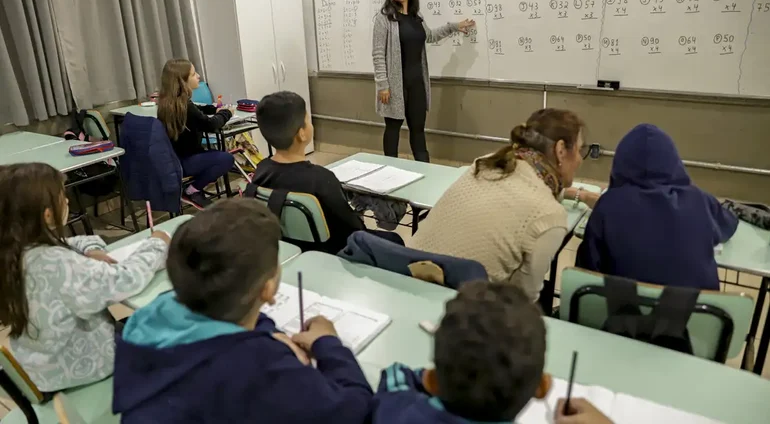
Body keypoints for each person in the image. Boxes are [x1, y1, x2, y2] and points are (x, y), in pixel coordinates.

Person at [112, 199, 373, 423]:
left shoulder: (152, 313)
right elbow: (356, 410)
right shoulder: (261, 368)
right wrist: (328, 344)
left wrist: (266, 334)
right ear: (268, 289)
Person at [0, 163, 170, 393]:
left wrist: (91, 248)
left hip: (41, 363)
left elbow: (69, 243)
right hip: (81, 366)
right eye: (63, 195)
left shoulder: (15, 249)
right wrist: (158, 242)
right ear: (48, 213)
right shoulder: (55, 264)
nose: (68, 201)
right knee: (168, 336)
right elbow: (126, 279)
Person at [410, 109, 590, 301]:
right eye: (579, 150)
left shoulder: (486, 164)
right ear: (561, 150)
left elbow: (523, 187)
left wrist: (580, 194)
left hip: (406, 281)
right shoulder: (549, 216)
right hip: (460, 312)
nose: (580, 159)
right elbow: (522, 298)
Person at [577, 124, 738, 290]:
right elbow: (729, 225)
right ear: (674, 161)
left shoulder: (607, 205)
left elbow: (586, 270)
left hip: (620, 312)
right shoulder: (699, 200)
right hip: (696, 313)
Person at [371, 281, 552, 422]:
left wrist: (442, 375)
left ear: (432, 382)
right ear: (542, 387)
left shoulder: (397, 414)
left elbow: (395, 375)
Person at [249, 91, 401, 253]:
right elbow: (355, 230)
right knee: (395, 240)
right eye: (308, 120)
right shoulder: (321, 179)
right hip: (334, 252)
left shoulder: (261, 170)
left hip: (290, 249)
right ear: (302, 133)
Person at [372, 0, 476, 162]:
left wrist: (454, 26)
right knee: (393, 129)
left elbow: (429, 36)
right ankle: (389, 169)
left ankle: (424, 169)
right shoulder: (384, 18)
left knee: (418, 131)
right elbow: (378, 54)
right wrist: (383, 85)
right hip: (394, 86)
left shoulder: (415, 16)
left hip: (417, 83)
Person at [157, 58, 234, 209]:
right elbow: (211, 125)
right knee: (226, 159)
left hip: (173, 158)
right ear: (182, 81)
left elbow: (197, 110)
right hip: (184, 161)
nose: (198, 76)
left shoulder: (169, 102)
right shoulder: (185, 106)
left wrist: (213, 110)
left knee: (213, 155)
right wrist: (227, 113)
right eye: (193, 74)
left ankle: (192, 190)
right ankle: (191, 190)